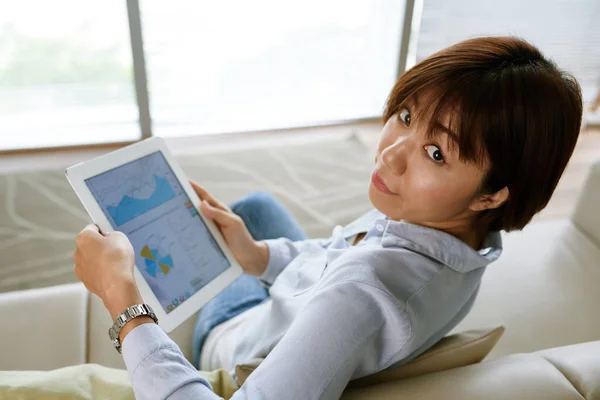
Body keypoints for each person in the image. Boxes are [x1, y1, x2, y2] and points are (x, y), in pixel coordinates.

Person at [70, 36, 582, 399]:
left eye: (436, 153)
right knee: (254, 209)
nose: (390, 155)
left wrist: (123, 300)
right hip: (309, 299)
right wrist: (259, 257)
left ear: (491, 195)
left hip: (235, 343)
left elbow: (356, 276)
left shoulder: (365, 289)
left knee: (190, 233)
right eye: (405, 116)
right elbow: (345, 250)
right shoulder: (465, 235)